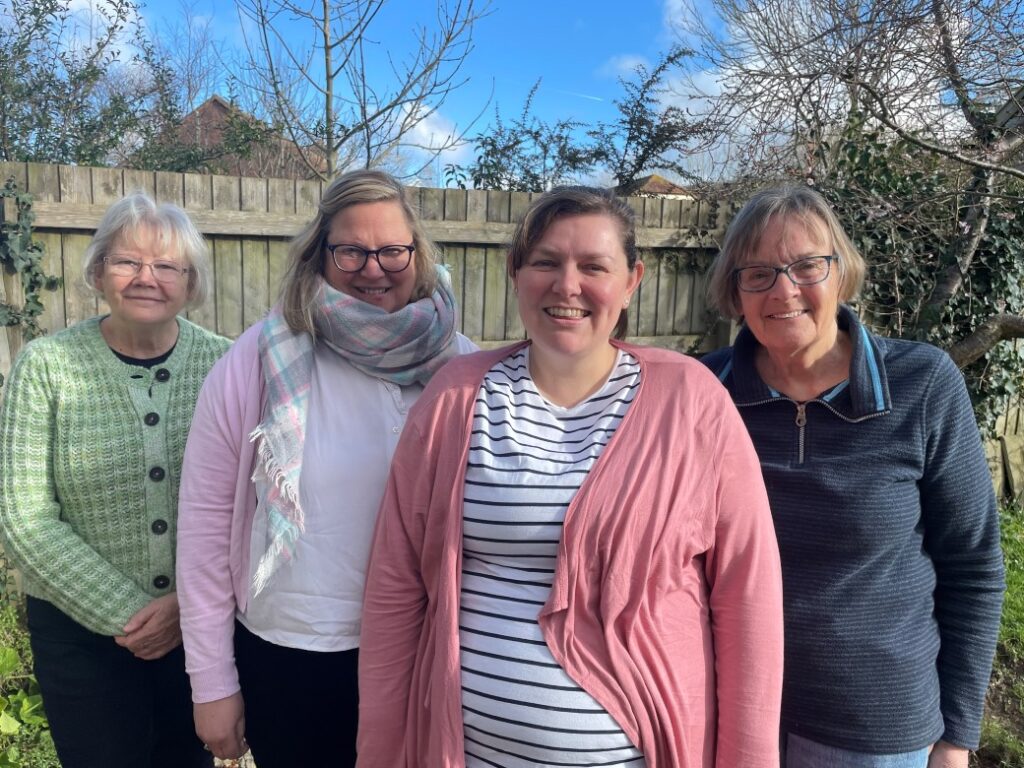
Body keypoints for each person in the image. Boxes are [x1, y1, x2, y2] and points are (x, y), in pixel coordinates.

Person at [356, 186, 784, 768]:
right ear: (515, 273)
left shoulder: (692, 401)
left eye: (594, 267)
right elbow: (395, 586)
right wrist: (379, 752)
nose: (567, 286)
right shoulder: (456, 395)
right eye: (546, 262)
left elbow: (747, 598)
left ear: (631, 281)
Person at [175, 169, 476, 768]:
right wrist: (211, 683)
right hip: (296, 656)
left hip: (426, 649)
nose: (374, 268)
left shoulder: (459, 364)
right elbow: (205, 527)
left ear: (417, 253)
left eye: (392, 250)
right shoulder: (257, 359)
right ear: (320, 253)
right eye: (351, 251)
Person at [701, 185, 1006, 768]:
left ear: (841, 273)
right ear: (735, 293)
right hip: (730, 714)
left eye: (806, 266)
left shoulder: (922, 384)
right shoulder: (704, 393)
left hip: (872, 729)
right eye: (758, 273)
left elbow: (973, 565)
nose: (784, 290)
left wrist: (958, 736)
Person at [0, 192, 228, 768]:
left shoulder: (227, 366)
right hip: (78, 635)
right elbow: (24, 518)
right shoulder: (45, 366)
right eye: (128, 261)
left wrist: (186, 607)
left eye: (167, 265)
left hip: (198, 628)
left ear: (191, 282)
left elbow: (251, 505)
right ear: (99, 270)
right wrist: (132, 615)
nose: (146, 278)